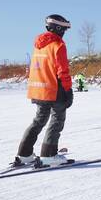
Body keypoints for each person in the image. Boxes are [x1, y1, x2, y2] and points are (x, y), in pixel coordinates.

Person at [14, 14, 74, 167]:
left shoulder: (39, 44)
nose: (64, 33)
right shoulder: (58, 45)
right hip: (54, 89)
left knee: (39, 121)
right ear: (58, 28)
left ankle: (24, 154)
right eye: (64, 30)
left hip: (38, 89)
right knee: (57, 120)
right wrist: (68, 90)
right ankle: (48, 155)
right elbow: (63, 71)